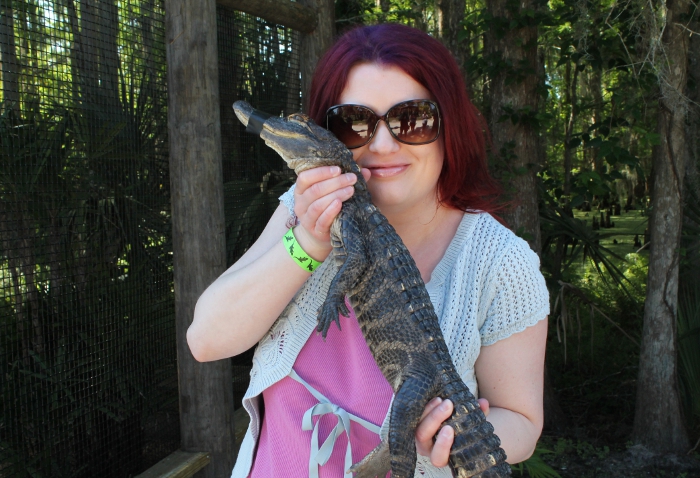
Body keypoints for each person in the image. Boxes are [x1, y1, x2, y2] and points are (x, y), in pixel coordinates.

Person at [187, 23, 549, 478]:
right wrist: (309, 242)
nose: (381, 145)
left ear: (448, 124)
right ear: (330, 134)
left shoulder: (501, 262)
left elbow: (523, 423)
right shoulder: (299, 210)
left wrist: (446, 433)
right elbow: (205, 340)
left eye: (412, 119)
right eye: (354, 122)